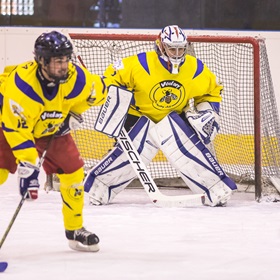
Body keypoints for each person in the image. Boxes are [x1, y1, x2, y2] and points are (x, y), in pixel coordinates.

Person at [84, 25, 237, 207]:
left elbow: (211, 91)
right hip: (137, 117)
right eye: (172, 48)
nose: (177, 53)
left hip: (173, 117)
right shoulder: (138, 64)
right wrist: (112, 94)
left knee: (188, 152)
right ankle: (99, 188)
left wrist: (208, 112)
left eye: (181, 48)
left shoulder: (195, 69)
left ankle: (215, 189)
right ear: (160, 46)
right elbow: (110, 78)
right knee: (128, 157)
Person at [0, 31, 107, 252]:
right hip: (8, 125)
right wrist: (29, 167)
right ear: (42, 61)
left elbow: (98, 90)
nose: (64, 65)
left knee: (74, 172)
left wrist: (79, 108)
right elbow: (16, 130)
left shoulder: (76, 78)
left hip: (51, 129)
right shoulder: (23, 87)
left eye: (67, 59)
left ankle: (74, 229)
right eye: (58, 61)